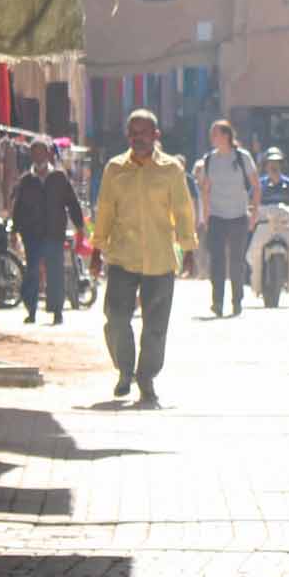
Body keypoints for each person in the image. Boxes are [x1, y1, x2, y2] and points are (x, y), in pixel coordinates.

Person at [90, 109, 198, 409]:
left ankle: (146, 378)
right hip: (123, 256)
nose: (138, 138)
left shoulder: (171, 170)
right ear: (128, 137)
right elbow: (106, 210)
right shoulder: (115, 169)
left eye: (144, 133)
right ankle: (125, 370)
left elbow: (183, 211)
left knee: (155, 325)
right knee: (116, 318)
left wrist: (188, 249)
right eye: (134, 133)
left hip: (161, 259)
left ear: (156, 136)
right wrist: (97, 249)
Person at [12, 139, 86, 325]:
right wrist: (15, 231)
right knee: (32, 272)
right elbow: (18, 208)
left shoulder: (59, 178)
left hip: (54, 233)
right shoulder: (26, 180)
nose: (38, 156)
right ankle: (32, 310)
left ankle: (57, 311)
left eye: (41, 152)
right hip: (32, 234)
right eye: (34, 153)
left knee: (55, 273)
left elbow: (72, 203)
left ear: (48, 154)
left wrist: (80, 227)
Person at [195, 120, 261, 319]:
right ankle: (217, 302)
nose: (212, 138)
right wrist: (205, 216)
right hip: (216, 216)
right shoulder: (209, 159)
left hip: (238, 215)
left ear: (226, 136)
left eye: (215, 134)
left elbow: (255, 186)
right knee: (217, 261)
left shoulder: (242, 157)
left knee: (236, 261)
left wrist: (254, 212)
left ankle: (237, 301)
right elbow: (206, 189)